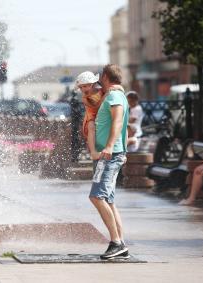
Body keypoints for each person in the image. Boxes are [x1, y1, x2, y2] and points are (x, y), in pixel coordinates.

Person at [89, 64, 129, 259]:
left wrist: (111, 146)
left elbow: (119, 121)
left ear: (105, 76)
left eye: (100, 77)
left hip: (109, 155)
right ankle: (120, 244)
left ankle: (116, 242)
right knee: (109, 200)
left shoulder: (114, 96)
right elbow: (123, 127)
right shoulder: (115, 94)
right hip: (110, 154)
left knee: (97, 197)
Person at [76, 71, 124, 160]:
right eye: (81, 87)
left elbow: (111, 89)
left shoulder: (101, 89)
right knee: (91, 126)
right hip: (92, 116)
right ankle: (93, 152)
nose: (83, 89)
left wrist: (117, 87)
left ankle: (121, 152)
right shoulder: (85, 98)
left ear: (93, 84)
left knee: (115, 124)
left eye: (85, 86)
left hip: (102, 114)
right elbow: (96, 106)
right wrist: (106, 95)